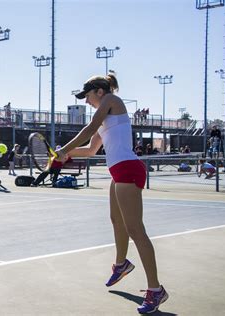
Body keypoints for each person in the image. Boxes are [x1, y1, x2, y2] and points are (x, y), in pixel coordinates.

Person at [55, 73, 168, 314]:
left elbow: (89, 127)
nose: (86, 102)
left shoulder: (111, 100)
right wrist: (66, 154)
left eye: (86, 97)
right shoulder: (106, 120)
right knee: (116, 221)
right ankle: (122, 264)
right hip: (119, 172)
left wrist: (65, 147)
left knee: (136, 230)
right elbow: (91, 148)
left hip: (128, 169)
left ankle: (156, 290)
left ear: (98, 91)